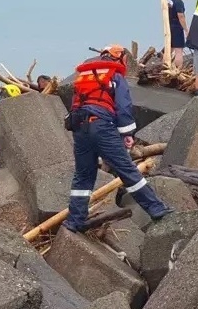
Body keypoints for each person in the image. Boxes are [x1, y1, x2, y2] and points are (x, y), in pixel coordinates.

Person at [63, 44, 172, 233]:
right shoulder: (114, 75)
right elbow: (123, 106)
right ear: (118, 59)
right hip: (101, 126)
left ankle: (74, 221)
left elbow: (76, 105)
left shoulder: (84, 77)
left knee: (83, 177)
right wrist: (127, 134)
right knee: (127, 169)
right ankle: (156, 208)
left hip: (79, 128)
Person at [168, 0, 191, 70]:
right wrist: (186, 30)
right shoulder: (178, 2)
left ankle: (167, 65)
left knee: (170, 48)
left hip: (169, 26)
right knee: (179, 49)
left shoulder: (170, 0)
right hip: (177, 27)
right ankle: (178, 69)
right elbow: (181, 16)